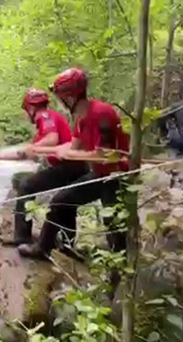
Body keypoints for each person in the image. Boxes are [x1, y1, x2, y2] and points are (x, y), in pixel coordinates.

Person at [18, 68, 129, 262]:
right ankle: (44, 248)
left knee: (114, 227)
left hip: (115, 176)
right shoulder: (81, 118)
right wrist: (41, 150)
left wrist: (68, 152)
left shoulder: (102, 113)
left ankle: (119, 276)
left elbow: (104, 155)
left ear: (70, 97)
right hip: (99, 174)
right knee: (60, 201)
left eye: (61, 98)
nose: (59, 103)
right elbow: (73, 146)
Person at [0, 88, 88, 245]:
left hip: (68, 165)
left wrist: (34, 147)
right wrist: (0, 156)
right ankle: (68, 243)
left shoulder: (45, 116)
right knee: (65, 203)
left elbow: (52, 139)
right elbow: (27, 153)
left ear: (31, 107)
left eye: (25, 110)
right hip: (76, 166)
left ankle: (22, 237)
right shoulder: (49, 121)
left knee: (26, 186)